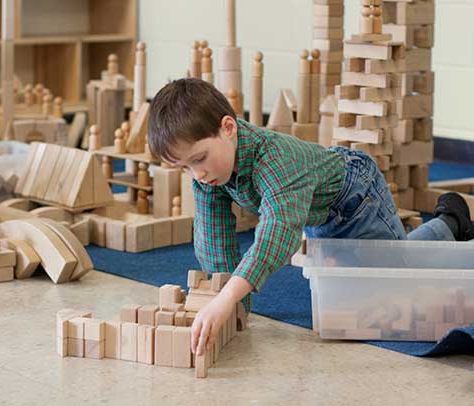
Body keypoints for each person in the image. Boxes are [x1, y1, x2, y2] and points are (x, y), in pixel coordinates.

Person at [147, 78, 473, 356]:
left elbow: (279, 231)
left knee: (394, 286)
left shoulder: (275, 158)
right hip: (318, 212)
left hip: (357, 198)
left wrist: (229, 296)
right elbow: (212, 236)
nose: (197, 174)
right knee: (355, 292)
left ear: (228, 128)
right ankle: (447, 223)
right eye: (185, 167)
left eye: (199, 159)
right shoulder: (208, 174)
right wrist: (230, 309)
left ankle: (449, 222)